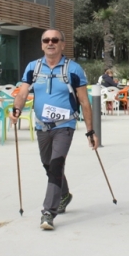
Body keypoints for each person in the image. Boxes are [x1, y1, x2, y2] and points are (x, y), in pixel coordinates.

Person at [10, 29, 96, 231]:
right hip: (42, 125)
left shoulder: (73, 69)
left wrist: (90, 132)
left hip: (65, 126)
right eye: (46, 40)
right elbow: (22, 93)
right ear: (42, 45)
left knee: (56, 165)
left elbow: (84, 102)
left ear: (62, 44)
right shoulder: (33, 67)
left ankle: (48, 212)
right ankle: (64, 194)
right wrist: (16, 109)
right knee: (48, 165)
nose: (50, 43)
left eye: (55, 40)